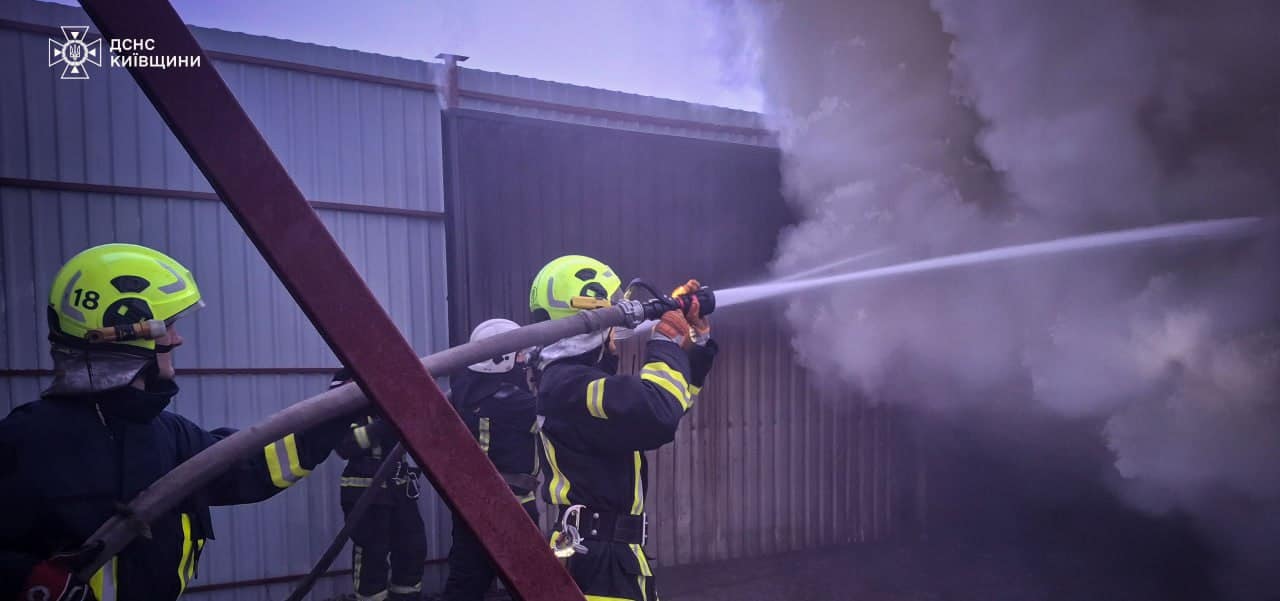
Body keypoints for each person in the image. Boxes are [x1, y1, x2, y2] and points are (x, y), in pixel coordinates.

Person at [0, 243, 351, 601]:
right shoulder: (29, 440)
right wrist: (27, 580)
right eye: (168, 326)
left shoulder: (167, 434)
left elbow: (254, 467)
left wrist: (338, 405)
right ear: (125, 330)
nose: (178, 339)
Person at [529, 255, 718, 601]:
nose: (614, 340)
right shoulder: (569, 385)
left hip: (606, 556)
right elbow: (657, 413)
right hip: (599, 562)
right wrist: (665, 343)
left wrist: (696, 345)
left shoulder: (569, 383)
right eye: (610, 326)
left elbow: (670, 405)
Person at [441, 319, 541, 601]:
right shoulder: (514, 403)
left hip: (470, 506)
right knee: (533, 582)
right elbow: (557, 414)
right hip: (514, 506)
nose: (524, 361)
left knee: (467, 582)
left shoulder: (463, 393)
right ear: (502, 359)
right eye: (519, 354)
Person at [330, 369, 428, 601]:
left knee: (412, 549)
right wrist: (387, 424)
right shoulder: (343, 403)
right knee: (372, 556)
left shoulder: (392, 403)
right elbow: (345, 446)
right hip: (365, 493)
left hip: (399, 490)